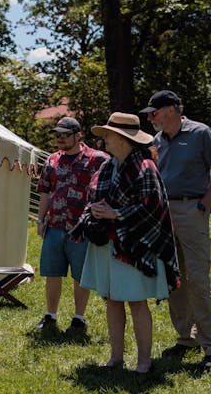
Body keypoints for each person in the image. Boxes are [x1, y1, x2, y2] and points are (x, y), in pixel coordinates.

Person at [70, 112, 180, 373]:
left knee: (136, 302)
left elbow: (153, 208)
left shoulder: (145, 167)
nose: (104, 139)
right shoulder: (108, 165)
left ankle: (144, 362)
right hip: (107, 243)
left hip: (133, 246)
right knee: (112, 299)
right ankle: (115, 358)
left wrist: (115, 213)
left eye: (108, 134)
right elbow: (94, 195)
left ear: (122, 138)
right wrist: (94, 210)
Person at [142, 89, 211, 372]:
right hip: (164, 215)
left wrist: (202, 206)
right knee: (174, 279)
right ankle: (186, 338)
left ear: (170, 110)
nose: (151, 117)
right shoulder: (156, 141)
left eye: (153, 112)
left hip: (192, 211)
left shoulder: (200, 133)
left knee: (199, 280)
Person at [34, 117, 108, 335]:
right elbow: (45, 191)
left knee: (80, 275)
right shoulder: (52, 161)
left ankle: (79, 318)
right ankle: (50, 315)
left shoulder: (97, 159)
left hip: (82, 227)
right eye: (57, 134)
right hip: (55, 225)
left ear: (78, 136)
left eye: (65, 134)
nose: (60, 138)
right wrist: (40, 219)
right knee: (52, 273)